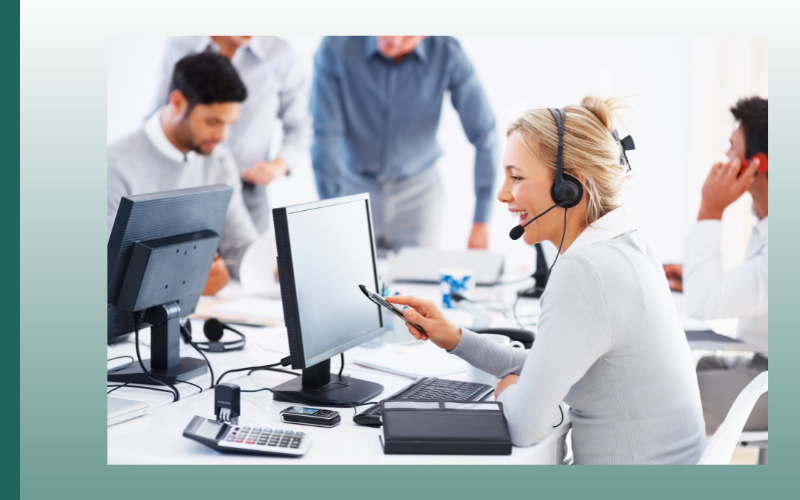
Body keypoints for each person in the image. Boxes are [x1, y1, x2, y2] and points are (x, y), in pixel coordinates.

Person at [387, 96, 707, 464]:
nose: (503, 194)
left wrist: (509, 392)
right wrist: (457, 339)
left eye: (517, 177)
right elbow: (548, 367)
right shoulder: (629, 245)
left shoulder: (586, 270)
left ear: (569, 187)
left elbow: (524, 425)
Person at [310, 36, 498, 250]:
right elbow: (324, 133)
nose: (394, 38)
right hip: (352, 188)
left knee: (416, 280)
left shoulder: (448, 52)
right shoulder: (337, 46)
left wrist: (482, 220)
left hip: (418, 196)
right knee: (347, 277)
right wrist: (331, 207)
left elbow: (485, 134)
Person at [109, 52, 258, 295]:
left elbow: (240, 245)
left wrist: (279, 266)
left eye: (230, 124)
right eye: (213, 122)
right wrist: (185, 281)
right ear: (178, 102)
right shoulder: (115, 165)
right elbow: (106, 270)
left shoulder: (219, 160)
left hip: (202, 316)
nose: (222, 136)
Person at [148, 36, 313, 234]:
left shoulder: (281, 54)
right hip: (187, 186)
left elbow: (299, 125)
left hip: (248, 189)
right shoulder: (180, 46)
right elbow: (158, 117)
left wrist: (279, 165)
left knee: (253, 260)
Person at [675, 96, 768, 435]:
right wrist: (693, 277)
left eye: (732, 149)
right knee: (681, 373)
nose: (726, 159)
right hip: (759, 359)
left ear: (756, 164)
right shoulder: (766, 224)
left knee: (668, 404)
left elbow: (704, 304)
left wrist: (710, 209)